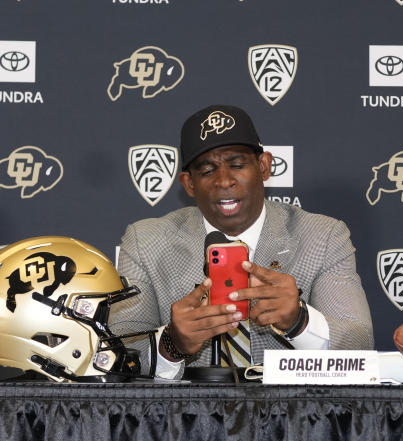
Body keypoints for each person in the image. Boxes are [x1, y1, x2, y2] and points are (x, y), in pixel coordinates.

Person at [111, 105, 373, 379]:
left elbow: (360, 343)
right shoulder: (146, 241)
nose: (224, 181)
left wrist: (300, 321)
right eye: (207, 170)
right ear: (189, 184)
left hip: (292, 414)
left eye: (237, 165)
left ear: (264, 166)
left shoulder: (322, 235)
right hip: (186, 417)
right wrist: (171, 344)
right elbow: (119, 351)